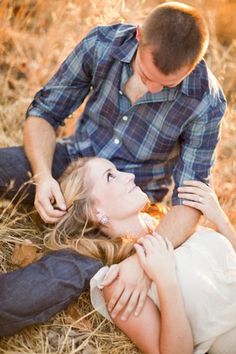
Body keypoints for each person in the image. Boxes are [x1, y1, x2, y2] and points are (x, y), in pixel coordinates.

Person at [0, 1, 227, 331]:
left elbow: (189, 201)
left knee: (58, 276)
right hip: (75, 162)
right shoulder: (102, 44)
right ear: (138, 36)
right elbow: (44, 114)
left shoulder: (206, 100)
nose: (153, 89)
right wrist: (43, 175)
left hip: (126, 210)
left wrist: (140, 260)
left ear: (191, 68)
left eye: (168, 84)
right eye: (147, 75)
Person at [44, 157, 236, 354]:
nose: (129, 176)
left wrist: (220, 220)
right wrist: (166, 281)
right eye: (110, 176)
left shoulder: (174, 223)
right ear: (95, 210)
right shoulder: (119, 281)